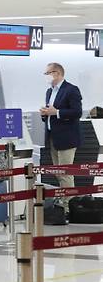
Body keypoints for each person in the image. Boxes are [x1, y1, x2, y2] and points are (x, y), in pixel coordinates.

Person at [40, 62, 82, 209]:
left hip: (67, 138)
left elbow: (77, 112)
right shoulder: (49, 91)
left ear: (56, 73)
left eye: (48, 73)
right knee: (59, 172)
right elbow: (50, 112)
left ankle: (68, 206)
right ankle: (65, 201)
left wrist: (56, 112)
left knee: (65, 173)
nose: (46, 77)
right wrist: (45, 114)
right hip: (53, 137)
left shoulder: (71, 90)